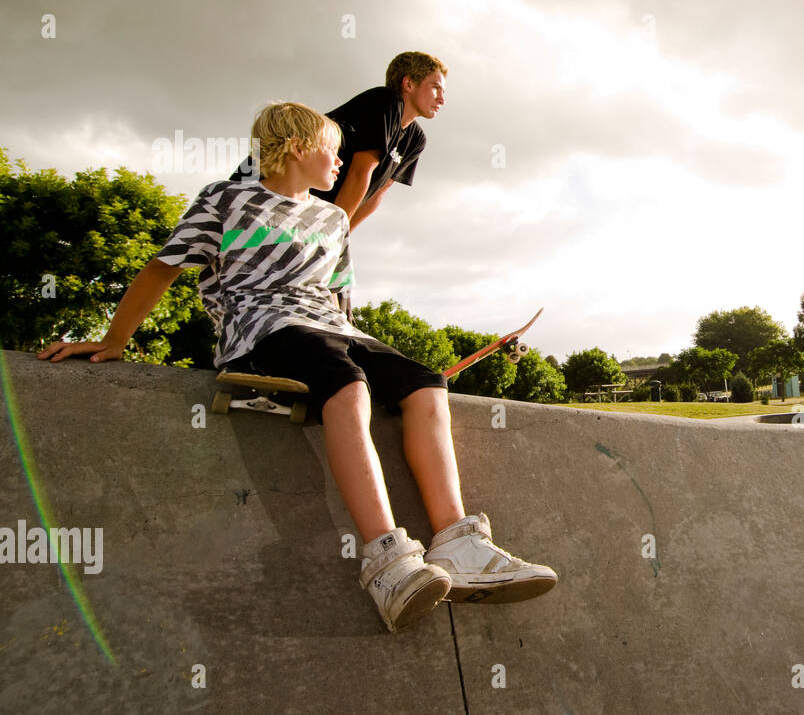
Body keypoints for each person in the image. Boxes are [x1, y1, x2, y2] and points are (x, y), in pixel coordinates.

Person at [39, 102, 555, 633]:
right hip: (259, 325)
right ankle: (387, 561)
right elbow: (162, 267)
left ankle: (458, 546)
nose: (343, 163)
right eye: (333, 151)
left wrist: (368, 358)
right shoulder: (227, 199)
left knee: (424, 383)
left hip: (331, 326)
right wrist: (113, 340)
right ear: (296, 148)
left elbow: (340, 297)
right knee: (346, 385)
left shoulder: (333, 219)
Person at [234, 52, 447, 232]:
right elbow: (359, 173)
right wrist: (329, 236)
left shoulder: (416, 139)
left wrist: (339, 239)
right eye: (435, 88)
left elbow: (376, 195)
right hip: (256, 185)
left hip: (296, 215)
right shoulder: (386, 102)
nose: (441, 99)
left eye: (444, 92)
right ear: (409, 83)